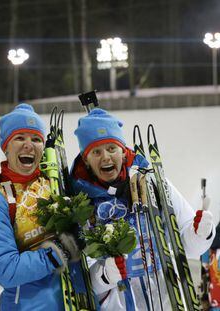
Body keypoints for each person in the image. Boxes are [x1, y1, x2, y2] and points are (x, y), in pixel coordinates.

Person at [70, 108, 215, 310]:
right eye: (96, 152)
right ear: (85, 159)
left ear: (123, 150)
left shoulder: (152, 182)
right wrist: (104, 274)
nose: (106, 157)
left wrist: (200, 233)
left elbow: (188, 245)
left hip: (167, 298)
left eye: (112, 148)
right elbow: (80, 280)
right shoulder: (80, 204)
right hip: (117, 303)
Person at [0, 103, 84, 310]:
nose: (29, 145)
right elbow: (7, 272)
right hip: (27, 304)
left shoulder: (56, 185)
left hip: (75, 299)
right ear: (6, 147)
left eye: (36, 139)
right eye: (20, 138)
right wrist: (58, 252)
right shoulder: (0, 197)